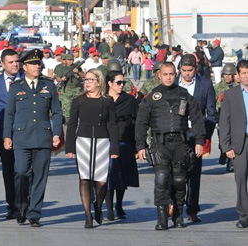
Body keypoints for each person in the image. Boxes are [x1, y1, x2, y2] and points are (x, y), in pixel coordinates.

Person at [135, 62, 206, 230]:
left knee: (180, 181)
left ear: (176, 75)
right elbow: (141, 122)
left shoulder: (184, 95)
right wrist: (140, 145)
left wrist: (200, 141)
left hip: (180, 144)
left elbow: (197, 118)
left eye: (171, 74)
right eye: (165, 74)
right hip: (160, 144)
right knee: (161, 180)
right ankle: (162, 218)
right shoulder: (152, 96)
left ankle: (178, 215)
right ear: (159, 75)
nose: (168, 77)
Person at [3, 49, 63, 227]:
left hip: (43, 137)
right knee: (20, 173)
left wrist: (57, 133)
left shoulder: (48, 85)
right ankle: (21, 205)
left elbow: (57, 112)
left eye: (39, 64)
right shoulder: (16, 87)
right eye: (34, 64)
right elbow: (9, 114)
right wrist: (7, 136)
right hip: (21, 138)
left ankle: (34, 213)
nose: (38, 66)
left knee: (40, 177)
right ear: (25, 66)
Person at [65, 69, 119, 228]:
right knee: (85, 178)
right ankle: (88, 215)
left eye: (91, 80)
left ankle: (98, 204)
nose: (87, 82)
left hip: (103, 141)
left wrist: (115, 148)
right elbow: (72, 124)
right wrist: (70, 147)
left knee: (101, 181)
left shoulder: (107, 101)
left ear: (99, 82)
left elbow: (113, 125)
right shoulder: (78, 100)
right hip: (83, 141)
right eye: (86, 80)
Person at [173, 54, 217, 223]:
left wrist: (204, 137)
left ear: (195, 69)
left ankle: (192, 209)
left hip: (195, 135)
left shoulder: (205, 85)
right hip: (175, 135)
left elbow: (211, 113)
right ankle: (175, 205)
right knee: (175, 173)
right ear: (180, 70)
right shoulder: (173, 82)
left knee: (193, 175)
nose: (187, 74)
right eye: (184, 71)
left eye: (190, 71)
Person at [0, 49, 22, 219]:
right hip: (3, 133)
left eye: (16, 61)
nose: (15, 64)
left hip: (24, 132)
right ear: (2, 64)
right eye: (11, 62)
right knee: (8, 170)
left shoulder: (26, 80)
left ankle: (24, 202)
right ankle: (12, 205)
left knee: (24, 170)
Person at [104, 71, 139, 221]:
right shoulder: (102, 99)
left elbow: (137, 123)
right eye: (118, 82)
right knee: (107, 176)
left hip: (124, 142)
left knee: (121, 177)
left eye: (123, 83)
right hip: (105, 142)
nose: (121, 85)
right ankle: (109, 208)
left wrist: (139, 145)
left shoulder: (130, 100)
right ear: (109, 83)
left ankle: (119, 205)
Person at [219, 60, 248, 228]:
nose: (247, 76)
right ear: (238, 75)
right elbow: (224, 122)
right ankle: (243, 215)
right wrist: (226, 147)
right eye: (243, 73)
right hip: (240, 143)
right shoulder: (231, 95)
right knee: (241, 179)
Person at [215, 63, 238, 172]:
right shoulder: (218, 87)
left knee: (233, 140)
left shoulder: (237, 87)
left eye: (230, 75)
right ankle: (223, 152)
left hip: (234, 118)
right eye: (225, 74)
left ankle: (231, 161)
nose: (228, 77)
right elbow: (212, 102)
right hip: (221, 116)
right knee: (222, 140)